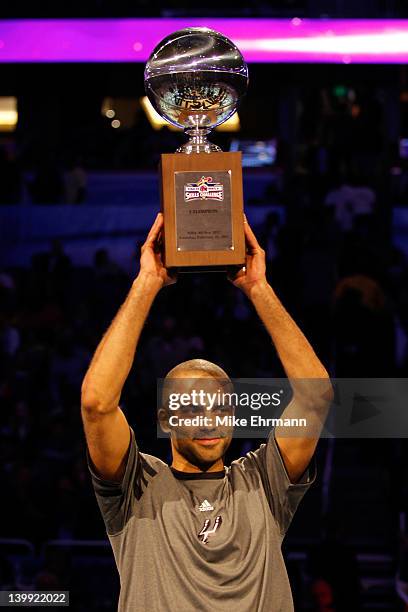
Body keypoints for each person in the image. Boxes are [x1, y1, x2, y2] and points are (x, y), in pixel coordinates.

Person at [81, 213, 332, 611]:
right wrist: (147, 283)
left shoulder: (263, 482)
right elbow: (96, 403)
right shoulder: (136, 485)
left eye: (220, 407)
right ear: (166, 419)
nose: (210, 419)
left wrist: (258, 288)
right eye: (193, 407)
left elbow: (316, 398)